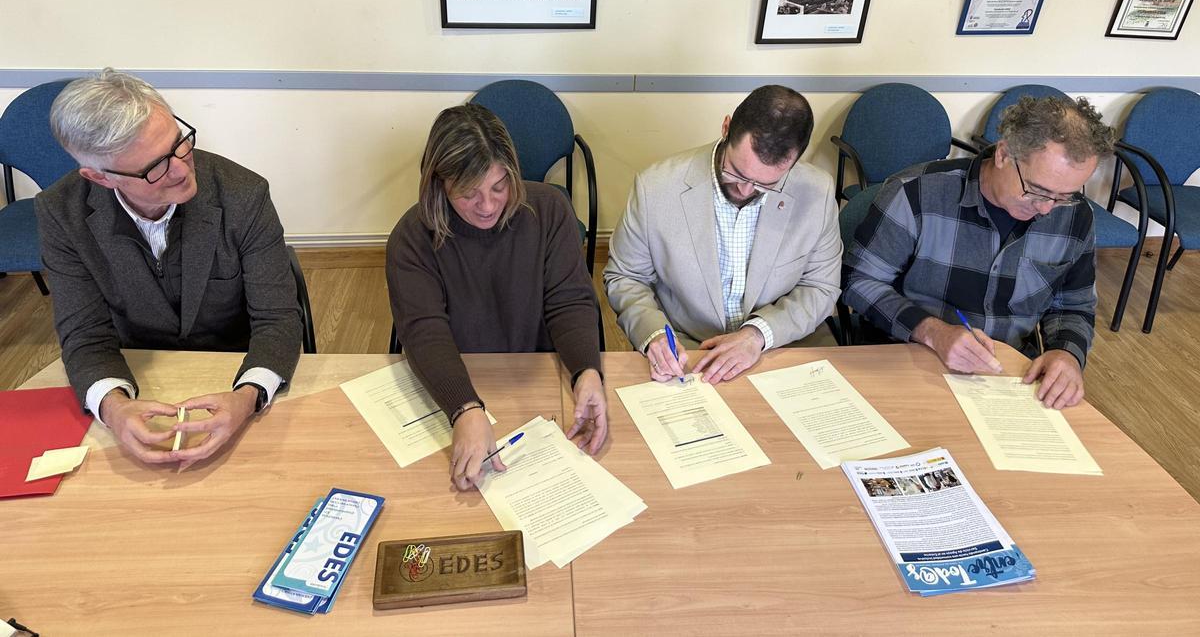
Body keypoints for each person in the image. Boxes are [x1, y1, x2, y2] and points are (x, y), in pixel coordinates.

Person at [35, 69, 302, 469]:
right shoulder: (62, 213)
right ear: (100, 178)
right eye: (153, 168)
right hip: (138, 369)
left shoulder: (243, 194)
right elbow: (85, 334)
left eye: (179, 143)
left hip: (234, 366)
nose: (180, 169)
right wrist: (113, 408)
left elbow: (277, 316)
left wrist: (248, 395)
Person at [843, 95, 1116, 410]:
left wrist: (1067, 353)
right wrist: (932, 331)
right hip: (911, 357)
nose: (1045, 209)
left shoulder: (1075, 216)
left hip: (1011, 375)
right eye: (1036, 190)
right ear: (1003, 154)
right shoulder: (917, 193)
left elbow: (1074, 306)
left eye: (1064, 196)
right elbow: (858, 281)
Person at [387, 104, 607, 492]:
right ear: (439, 184)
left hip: (537, 380)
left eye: (498, 186)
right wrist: (465, 408)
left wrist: (586, 370)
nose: (487, 206)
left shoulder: (550, 210)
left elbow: (569, 300)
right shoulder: (411, 237)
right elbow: (424, 333)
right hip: (454, 380)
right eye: (468, 193)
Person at [605, 86, 841, 385]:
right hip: (688, 347)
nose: (746, 190)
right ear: (726, 127)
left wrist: (757, 335)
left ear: (794, 161)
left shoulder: (817, 192)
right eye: (737, 173)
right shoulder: (656, 187)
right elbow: (626, 277)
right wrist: (653, 334)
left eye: (767, 184)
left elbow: (820, 286)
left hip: (782, 344)